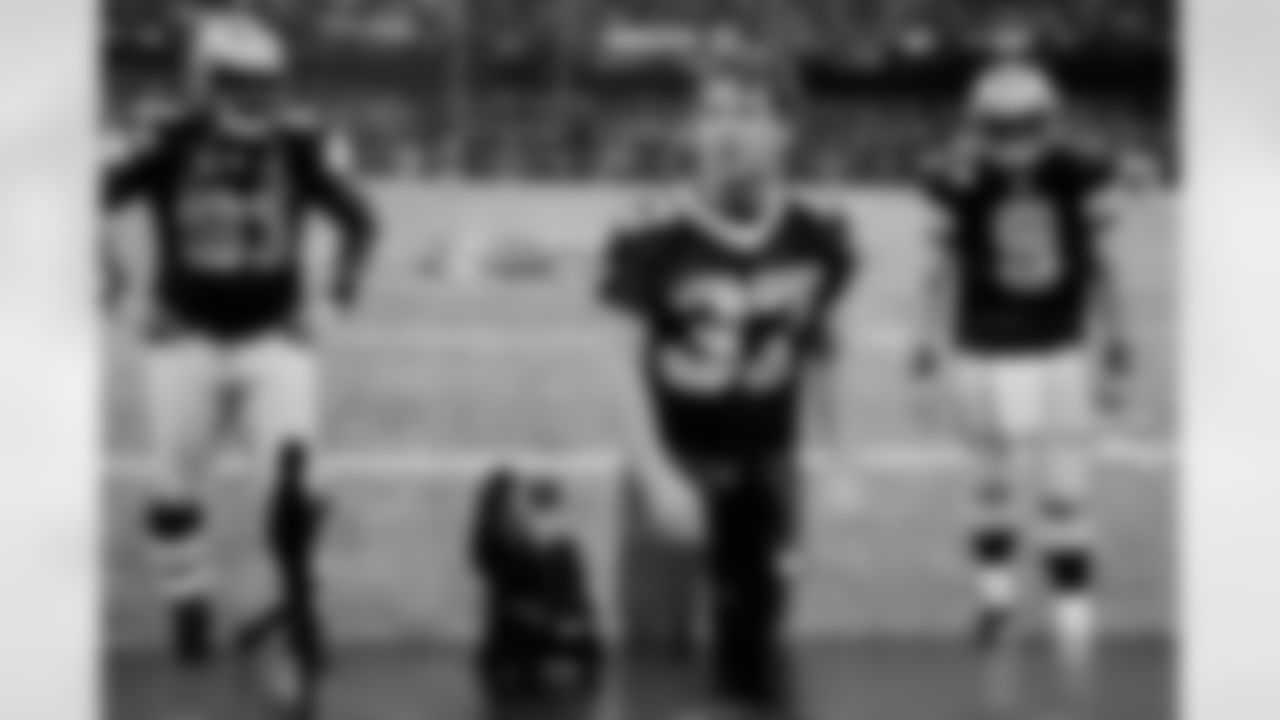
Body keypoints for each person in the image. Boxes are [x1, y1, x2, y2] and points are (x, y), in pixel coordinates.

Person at [102, 12, 375, 718]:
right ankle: (187, 603)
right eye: (239, 83)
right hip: (184, 333)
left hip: (270, 337)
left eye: (265, 85)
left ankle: (297, 612)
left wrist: (332, 303)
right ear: (204, 81)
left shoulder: (302, 142)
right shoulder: (167, 138)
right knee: (173, 481)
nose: (256, 100)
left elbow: (361, 220)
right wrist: (118, 290)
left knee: (298, 479)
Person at [600, 63, 857, 717]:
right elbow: (619, 359)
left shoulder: (821, 231)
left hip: (769, 467)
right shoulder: (649, 230)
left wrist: (837, 452)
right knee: (659, 662)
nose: (726, 130)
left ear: (785, 131)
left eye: (746, 112)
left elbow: (822, 344)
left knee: (755, 659)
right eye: (712, 113)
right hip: (679, 455)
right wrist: (654, 472)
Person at [914, 55, 1148, 717]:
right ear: (978, 124)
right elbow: (937, 271)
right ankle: (995, 603)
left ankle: (1076, 623)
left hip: (1058, 350)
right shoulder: (953, 176)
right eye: (1000, 125)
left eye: (1024, 125)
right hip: (981, 348)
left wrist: (1120, 343)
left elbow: (1105, 266)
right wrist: (923, 347)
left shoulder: (1081, 172)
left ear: (1048, 121)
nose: (1013, 140)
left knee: (1064, 497)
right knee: (989, 488)